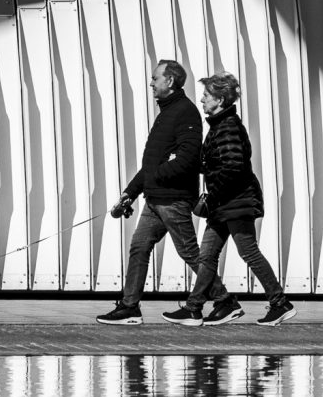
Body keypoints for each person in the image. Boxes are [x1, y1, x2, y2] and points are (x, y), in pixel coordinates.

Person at [95, 59, 232, 325]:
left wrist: (151, 181)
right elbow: (152, 165)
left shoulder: (185, 112)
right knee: (139, 247)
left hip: (174, 198)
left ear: (169, 81)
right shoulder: (167, 112)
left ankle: (224, 299)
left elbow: (188, 159)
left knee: (189, 252)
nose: (151, 83)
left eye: (155, 78)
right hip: (156, 198)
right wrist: (130, 192)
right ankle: (129, 307)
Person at [162, 72, 293, 328]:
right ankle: (194, 308)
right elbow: (218, 163)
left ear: (220, 99)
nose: (202, 99)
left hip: (235, 203)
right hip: (225, 205)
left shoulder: (228, 127)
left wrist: (211, 197)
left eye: (206, 95)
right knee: (207, 256)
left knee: (248, 252)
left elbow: (233, 167)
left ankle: (280, 303)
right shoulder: (220, 125)